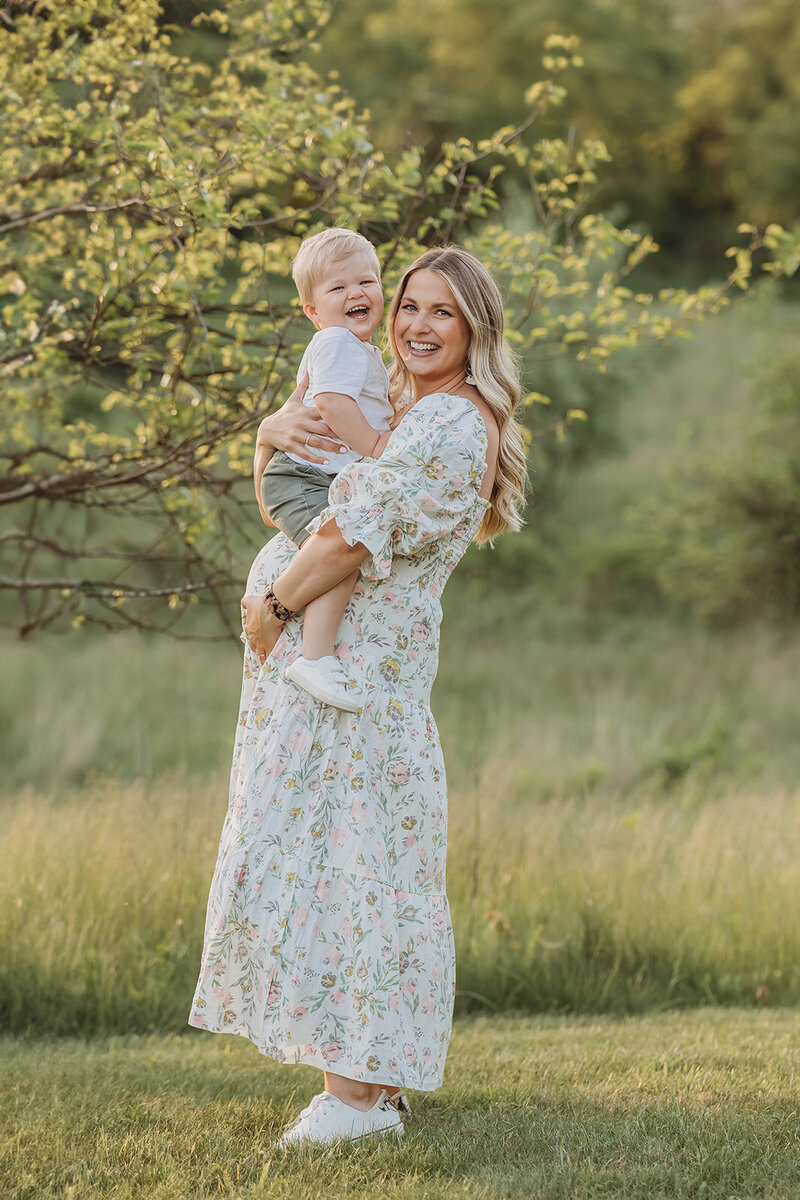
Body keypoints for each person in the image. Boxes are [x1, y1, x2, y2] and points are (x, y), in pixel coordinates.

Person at [188, 245, 528, 1148]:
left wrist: (273, 606)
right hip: (341, 681)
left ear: (475, 329)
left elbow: (345, 537)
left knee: (359, 879)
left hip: (358, 687)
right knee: (348, 874)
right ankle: (368, 1090)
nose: (415, 324)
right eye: (408, 305)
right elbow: (294, 497)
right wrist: (268, 432)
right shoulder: (409, 407)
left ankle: (354, 1097)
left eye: (442, 313)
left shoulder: (450, 424)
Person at [256, 227, 394, 712]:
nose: (356, 293)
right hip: (303, 476)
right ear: (312, 311)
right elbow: (332, 404)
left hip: (312, 475)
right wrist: (378, 445)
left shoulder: (358, 350)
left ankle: (314, 652)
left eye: (367, 281)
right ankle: (315, 657)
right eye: (338, 288)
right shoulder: (336, 341)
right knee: (338, 551)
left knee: (341, 546)